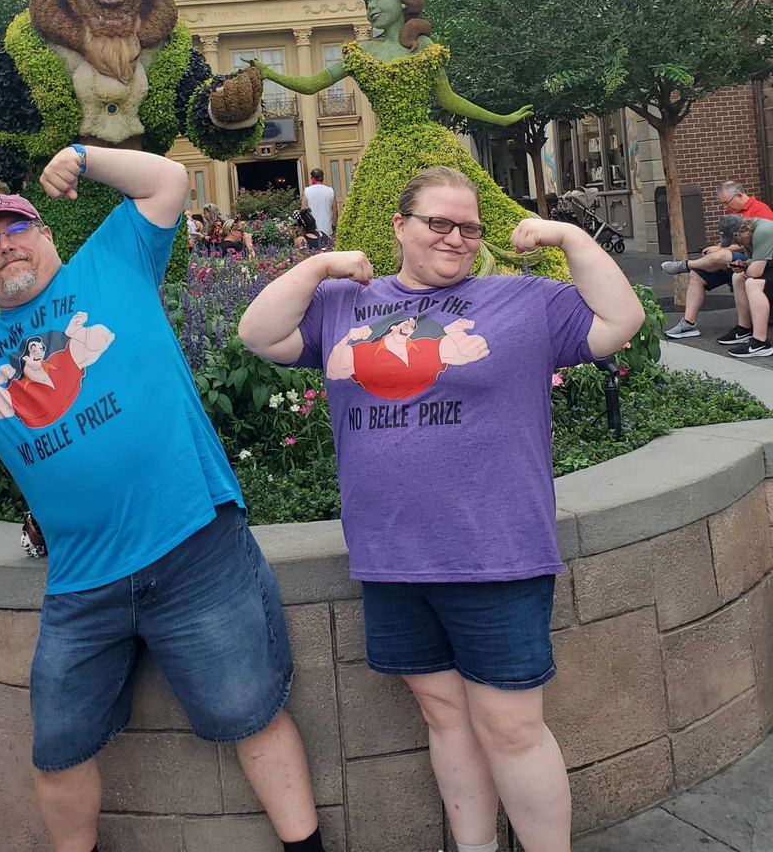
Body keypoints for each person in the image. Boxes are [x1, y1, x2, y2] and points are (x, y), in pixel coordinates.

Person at [0, 146, 327, 852]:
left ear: (48, 238)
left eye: (18, 231)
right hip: (82, 581)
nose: (5, 247)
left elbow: (168, 182)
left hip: (196, 545)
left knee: (248, 713)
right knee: (60, 747)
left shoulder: (111, 264)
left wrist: (82, 156)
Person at [238, 165, 645, 852]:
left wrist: (568, 236)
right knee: (443, 715)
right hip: (392, 554)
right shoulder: (344, 303)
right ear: (399, 226)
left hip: (496, 551)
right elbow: (259, 334)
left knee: (510, 726)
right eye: (439, 223)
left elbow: (620, 320)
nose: (457, 238)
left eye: (470, 227)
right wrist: (322, 266)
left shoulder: (522, 301)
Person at [246, 0, 565, 280]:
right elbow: (312, 83)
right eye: (367, 0)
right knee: (383, 221)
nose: (372, 6)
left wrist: (501, 117)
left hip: (431, 148)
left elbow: (449, 99)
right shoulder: (358, 53)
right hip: (385, 157)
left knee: (466, 207)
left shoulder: (424, 48)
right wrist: (270, 73)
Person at [664, 181, 773, 340]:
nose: (724, 207)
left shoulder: (761, 213)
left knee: (726, 261)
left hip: (761, 261)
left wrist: (724, 250)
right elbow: (734, 242)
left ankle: (686, 265)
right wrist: (723, 249)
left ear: (739, 195)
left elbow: (760, 246)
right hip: (748, 260)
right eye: (721, 204)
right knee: (697, 274)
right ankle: (689, 323)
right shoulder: (733, 218)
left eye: (726, 203)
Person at [726, 217, 773, 358]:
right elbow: (757, 262)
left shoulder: (763, 232)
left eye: (740, 242)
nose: (741, 246)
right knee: (738, 277)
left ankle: (760, 343)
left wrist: (745, 268)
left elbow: (756, 272)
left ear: (741, 234)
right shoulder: (752, 230)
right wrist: (744, 264)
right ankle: (744, 329)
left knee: (752, 283)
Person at [301, 168, 336, 237]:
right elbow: (335, 210)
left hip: (312, 229)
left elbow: (303, 210)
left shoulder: (307, 191)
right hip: (327, 228)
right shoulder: (330, 191)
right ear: (322, 178)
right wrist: (334, 225)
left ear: (312, 178)